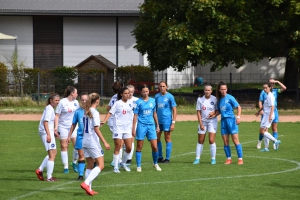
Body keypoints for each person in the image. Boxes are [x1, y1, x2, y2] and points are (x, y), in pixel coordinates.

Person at [80, 93, 110, 196]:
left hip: (84, 140)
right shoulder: (95, 112)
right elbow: (96, 129)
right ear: (97, 101)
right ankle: (86, 183)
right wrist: (105, 142)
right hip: (92, 141)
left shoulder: (86, 111)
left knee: (90, 165)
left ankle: (89, 189)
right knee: (101, 165)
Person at [101, 87, 133, 173]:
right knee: (118, 147)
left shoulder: (131, 103)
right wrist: (104, 121)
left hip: (127, 129)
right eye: (125, 93)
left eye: (128, 93)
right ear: (121, 94)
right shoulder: (117, 103)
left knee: (129, 148)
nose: (127, 95)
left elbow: (133, 115)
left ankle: (123, 163)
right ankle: (115, 167)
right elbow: (110, 112)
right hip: (118, 128)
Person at [132, 84, 161, 172]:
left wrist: (157, 125)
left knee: (155, 147)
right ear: (140, 92)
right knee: (139, 146)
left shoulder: (153, 101)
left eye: (147, 91)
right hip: (141, 126)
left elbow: (154, 113)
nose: (145, 93)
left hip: (151, 126)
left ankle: (155, 163)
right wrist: (133, 128)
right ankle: (139, 166)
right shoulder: (138, 102)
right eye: (143, 92)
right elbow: (135, 115)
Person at [214, 81, 243, 165]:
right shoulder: (219, 100)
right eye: (222, 89)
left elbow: (238, 107)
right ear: (219, 90)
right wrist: (213, 115)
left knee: (235, 141)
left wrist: (238, 117)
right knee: (226, 142)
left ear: (227, 89)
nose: (224, 91)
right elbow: (219, 111)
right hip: (223, 122)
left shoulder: (230, 97)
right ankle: (229, 159)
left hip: (231, 121)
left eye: (225, 89)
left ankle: (240, 159)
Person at [54, 86, 80, 173]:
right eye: (76, 92)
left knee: (77, 145)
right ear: (72, 93)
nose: (77, 94)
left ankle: (74, 162)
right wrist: (56, 128)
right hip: (63, 127)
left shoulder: (76, 102)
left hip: (74, 127)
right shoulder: (62, 102)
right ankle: (66, 167)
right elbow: (57, 116)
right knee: (64, 146)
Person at [35, 93, 60, 181]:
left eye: (58, 100)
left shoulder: (50, 108)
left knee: (53, 152)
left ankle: (40, 170)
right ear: (51, 100)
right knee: (52, 154)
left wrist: (53, 132)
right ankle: (49, 177)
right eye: (56, 100)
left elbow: (49, 123)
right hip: (46, 133)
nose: (57, 102)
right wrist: (48, 134)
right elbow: (45, 122)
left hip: (47, 131)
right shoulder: (49, 109)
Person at [256, 78, 286, 150]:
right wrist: (259, 111)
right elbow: (264, 104)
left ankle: (275, 142)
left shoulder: (271, 95)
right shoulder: (266, 93)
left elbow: (273, 106)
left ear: (269, 87)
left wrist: (270, 115)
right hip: (266, 114)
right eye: (264, 88)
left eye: (266, 88)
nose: (264, 89)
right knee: (262, 131)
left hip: (269, 114)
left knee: (265, 130)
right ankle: (266, 146)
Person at [193, 84, 218, 165]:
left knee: (211, 140)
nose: (207, 92)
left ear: (211, 91)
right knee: (200, 141)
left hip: (212, 122)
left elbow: (218, 110)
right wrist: (200, 123)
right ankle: (197, 159)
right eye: (206, 90)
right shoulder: (200, 99)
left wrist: (214, 113)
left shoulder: (215, 99)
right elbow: (198, 112)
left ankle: (213, 159)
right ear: (204, 91)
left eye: (208, 90)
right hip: (203, 122)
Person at [67, 92, 89, 180]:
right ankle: (80, 175)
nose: (84, 101)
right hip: (80, 136)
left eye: (85, 100)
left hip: (90, 137)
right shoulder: (78, 111)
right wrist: (69, 136)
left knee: (92, 157)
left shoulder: (92, 111)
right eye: (82, 100)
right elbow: (73, 124)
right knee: (81, 155)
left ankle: (92, 173)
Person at [155, 81, 177, 164]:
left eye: (163, 86)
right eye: (160, 86)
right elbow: (155, 109)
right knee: (157, 138)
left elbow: (174, 109)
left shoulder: (170, 96)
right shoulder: (157, 96)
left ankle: (167, 158)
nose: (162, 88)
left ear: (166, 87)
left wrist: (173, 122)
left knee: (167, 138)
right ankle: (160, 157)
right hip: (158, 121)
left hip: (167, 121)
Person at [106, 81, 124, 167]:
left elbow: (108, 108)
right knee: (120, 142)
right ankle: (116, 160)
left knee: (120, 142)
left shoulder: (113, 97)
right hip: (116, 122)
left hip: (112, 121)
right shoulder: (120, 98)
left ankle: (118, 160)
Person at [125, 84, 139, 165]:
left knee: (131, 139)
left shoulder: (137, 100)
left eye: (131, 92)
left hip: (134, 122)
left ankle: (129, 158)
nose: (130, 94)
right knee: (124, 141)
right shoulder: (123, 100)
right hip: (124, 123)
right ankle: (123, 157)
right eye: (128, 92)